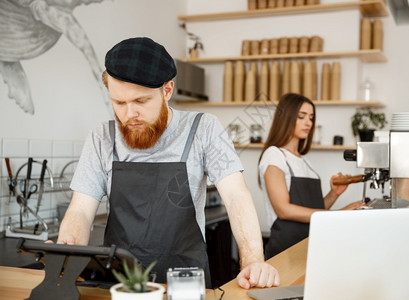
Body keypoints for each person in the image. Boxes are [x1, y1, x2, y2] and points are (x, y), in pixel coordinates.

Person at [57, 37, 279, 289]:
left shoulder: (203, 129)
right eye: (119, 103)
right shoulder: (102, 137)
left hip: (185, 282)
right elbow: (81, 210)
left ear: (167, 90)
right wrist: (68, 249)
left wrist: (252, 261)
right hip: (120, 285)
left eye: (141, 101)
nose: (129, 115)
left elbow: (236, 195)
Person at [258, 93, 365, 259]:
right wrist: (338, 214)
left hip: (310, 245)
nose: (308, 122)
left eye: (311, 117)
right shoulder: (274, 155)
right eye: (301, 117)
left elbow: (314, 208)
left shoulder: (304, 161)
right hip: (286, 252)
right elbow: (283, 210)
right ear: (286, 118)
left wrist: (333, 194)